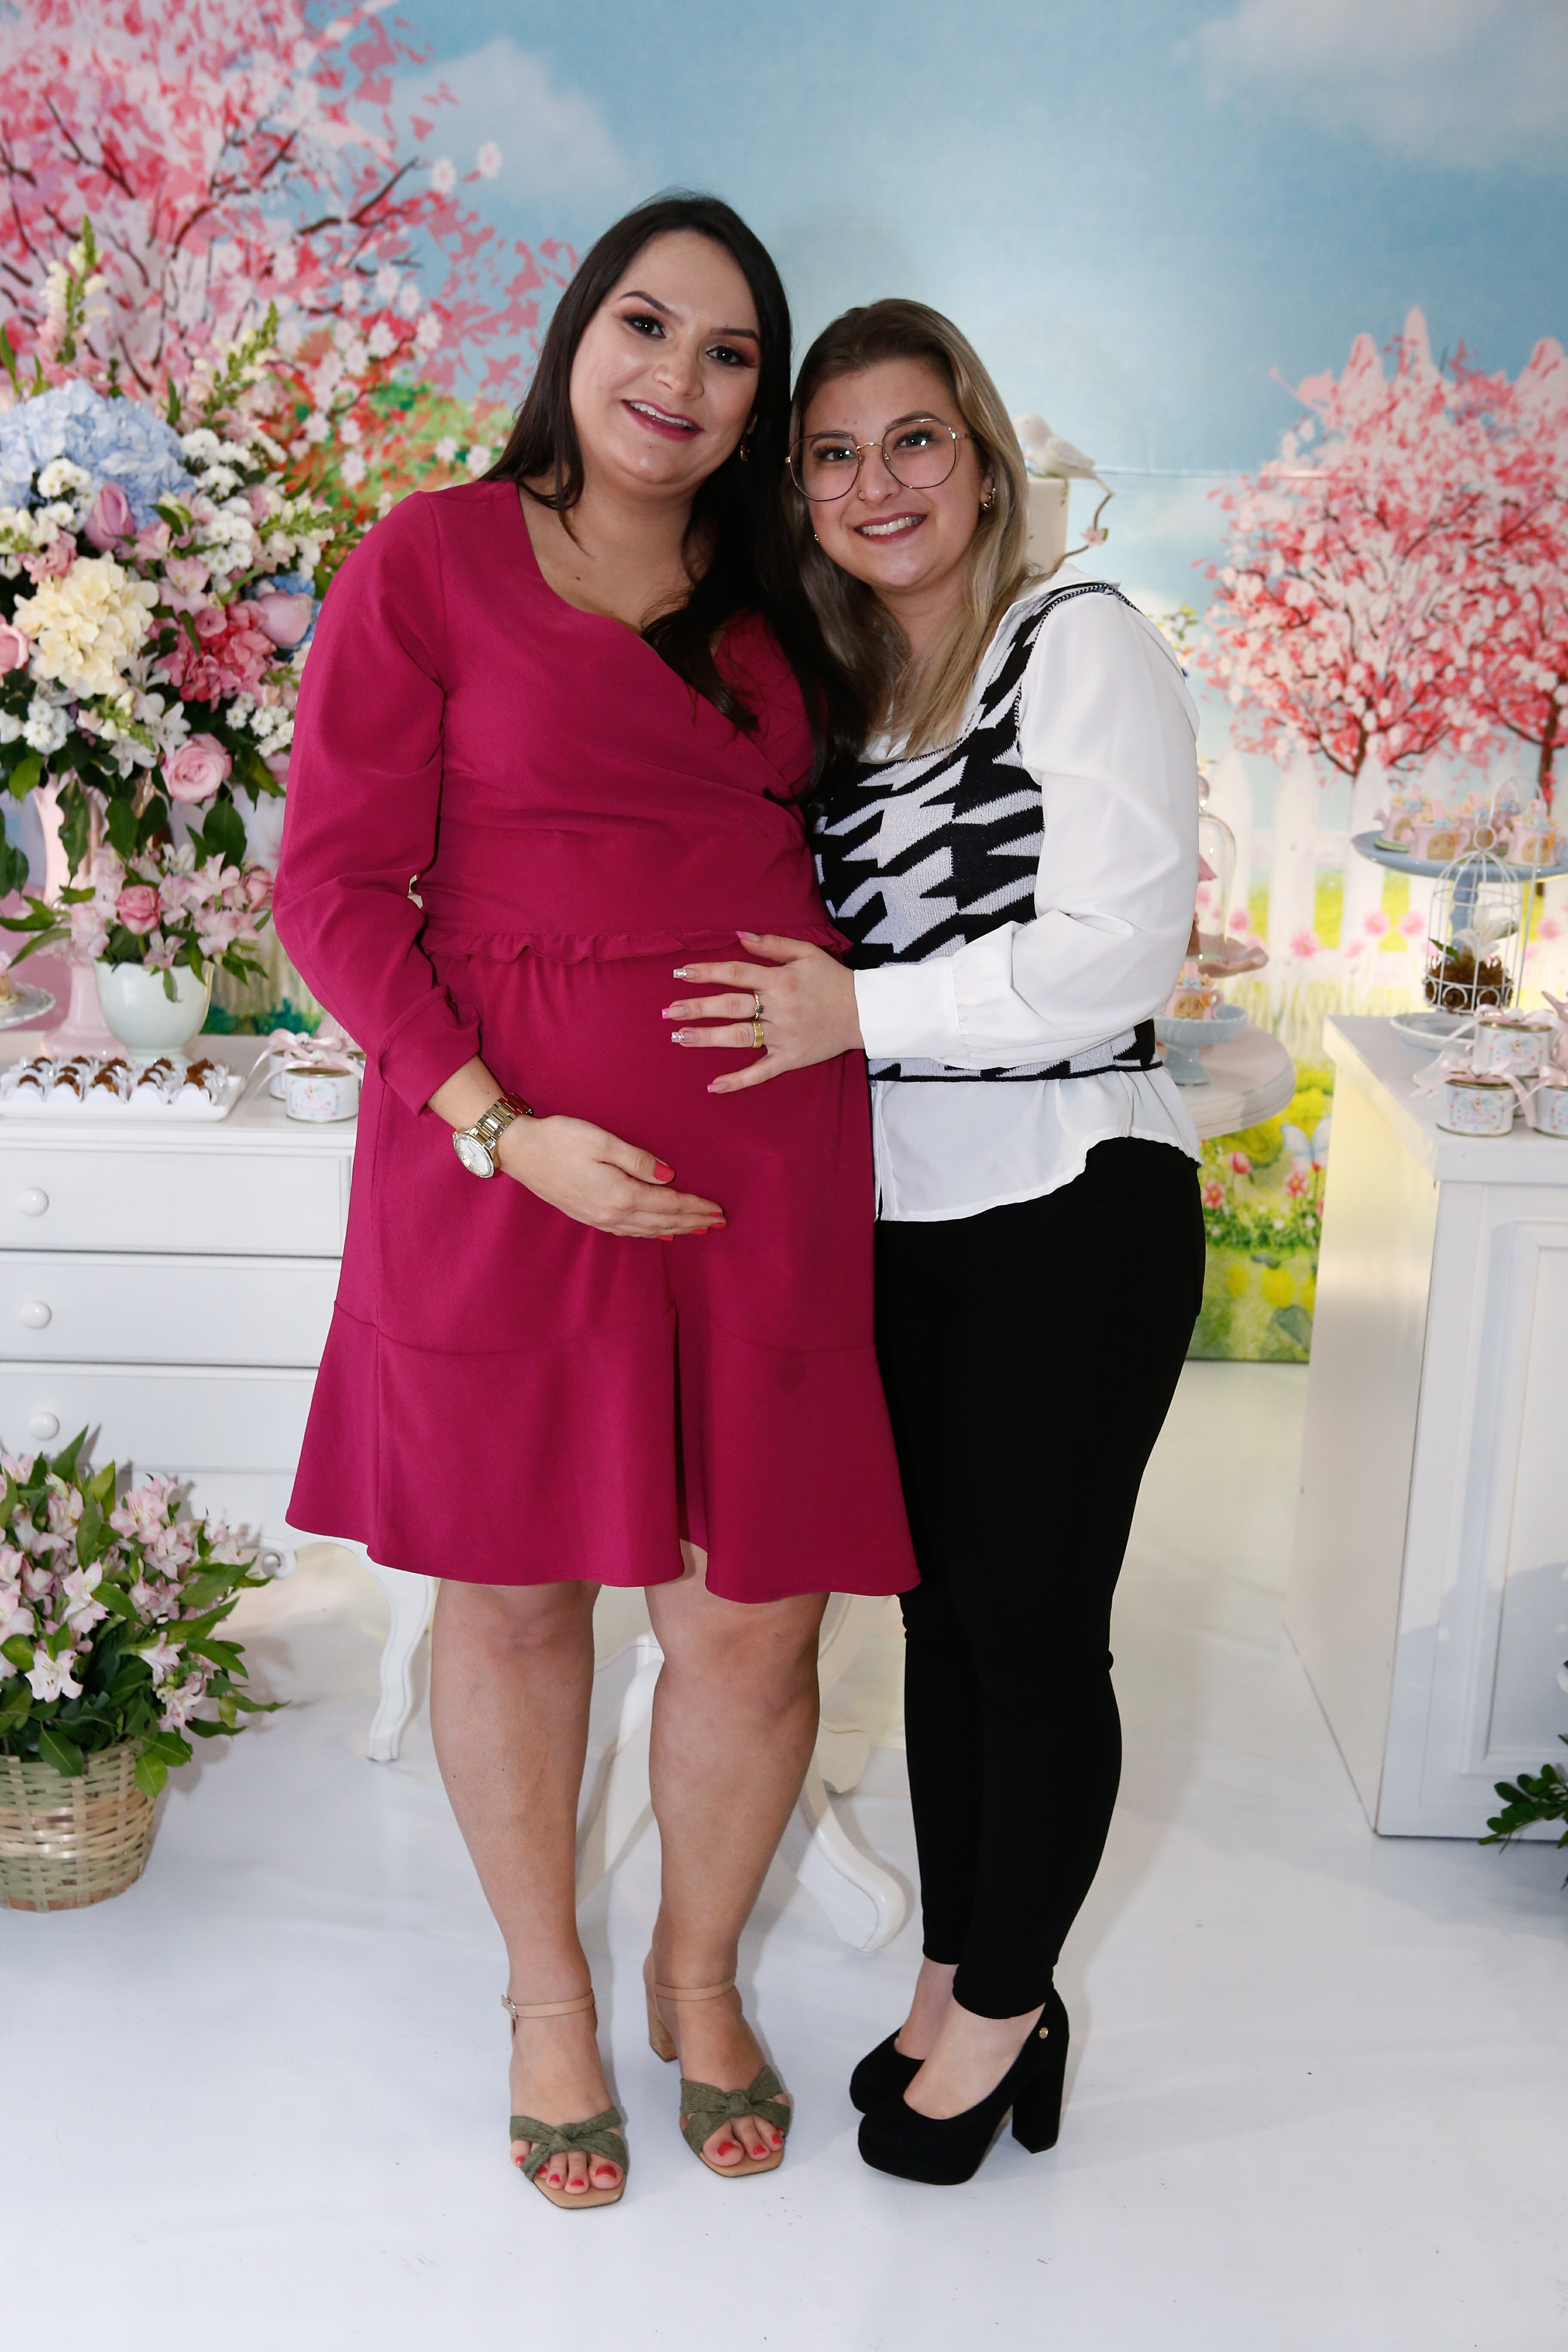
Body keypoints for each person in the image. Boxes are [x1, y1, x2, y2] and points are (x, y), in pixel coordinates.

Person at [273, 203, 916, 2212]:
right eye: (649, 325)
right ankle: (547, 1996)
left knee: (754, 1619)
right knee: (515, 1592)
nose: (679, 378)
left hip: (763, 1162)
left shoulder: (790, 584)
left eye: (732, 354)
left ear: (760, 403)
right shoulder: (428, 560)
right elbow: (329, 893)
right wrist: (499, 1123)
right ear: (576, 336)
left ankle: (694, 1973)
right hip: (500, 1157)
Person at [665, 299, 1204, 2185]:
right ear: (798, 495)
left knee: (1035, 1639)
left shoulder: (1080, 642)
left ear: (979, 460)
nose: (875, 483)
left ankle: (1001, 2014)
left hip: (1070, 1202)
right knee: (944, 1628)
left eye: (913, 441)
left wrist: (855, 1014)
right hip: (896, 1220)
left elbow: (1115, 953)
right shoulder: (849, 702)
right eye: (833, 453)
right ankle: (963, 1976)